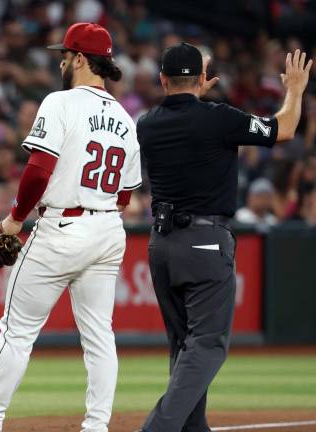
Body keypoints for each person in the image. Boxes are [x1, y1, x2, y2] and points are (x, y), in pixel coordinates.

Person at [0, 23, 142, 432]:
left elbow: (37, 171)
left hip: (63, 226)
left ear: (80, 59)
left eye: (65, 54)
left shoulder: (60, 102)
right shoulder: (125, 118)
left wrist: (13, 220)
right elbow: (125, 197)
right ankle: (97, 426)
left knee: (16, 332)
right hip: (108, 230)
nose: (61, 61)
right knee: (100, 336)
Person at [136, 43, 311, 432]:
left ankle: (193, 428)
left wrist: (195, 94)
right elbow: (283, 128)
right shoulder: (218, 117)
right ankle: (158, 428)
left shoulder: (146, 123)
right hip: (205, 242)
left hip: (161, 245)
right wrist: (295, 90)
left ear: (162, 79)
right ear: (202, 79)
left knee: (184, 346)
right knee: (208, 344)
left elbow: (184, 121)